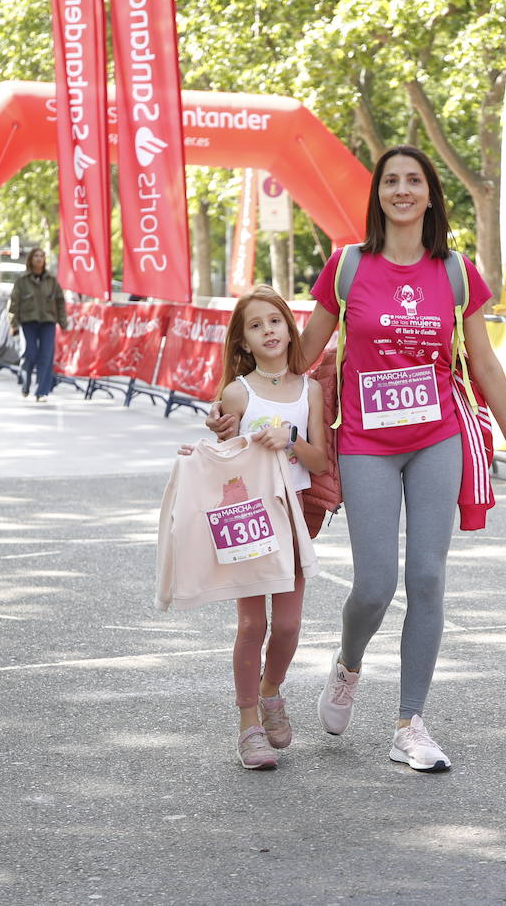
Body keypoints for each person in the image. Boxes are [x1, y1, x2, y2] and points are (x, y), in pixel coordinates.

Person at [208, 145, 506, 771]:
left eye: (415, 180)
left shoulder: (457, 273)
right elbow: (300, 355)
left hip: (436, 436)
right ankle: (348, 664)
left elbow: (486, 365)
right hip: (365, 444)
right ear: (378, 194)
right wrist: (242, 406)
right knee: (375, 585)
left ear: (431, 194)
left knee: (429, 578)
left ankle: (410, 722)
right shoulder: (348, 267)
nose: (403, 190)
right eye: (392, 181)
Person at [185, 286, 329, 769]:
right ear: (243, 342)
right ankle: (249, 725)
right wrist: (210, 443)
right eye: (255, 325)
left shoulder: (310, 390)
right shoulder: (237, 392)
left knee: (288, 625)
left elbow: (320, 458)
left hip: (294, 516)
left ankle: (271, 691)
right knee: (253, 623)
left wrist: (289, 440)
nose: (268, 330)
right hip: (247, 518)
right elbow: (223, 452)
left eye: (275, 321)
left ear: (291, 329)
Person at [8, 248, 68, 402]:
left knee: (46, 356)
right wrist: (13, 323)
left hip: (48, 321)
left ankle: (42, 391)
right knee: (30, 353)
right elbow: (14, 303)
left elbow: (60, 301)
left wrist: (63, 322)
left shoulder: (51, 280)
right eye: (36, 256)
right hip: (29, 321)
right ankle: (25, 382)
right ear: (30, 259)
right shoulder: (22, 280)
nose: (39, 259)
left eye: (41, 256)